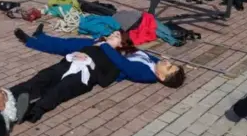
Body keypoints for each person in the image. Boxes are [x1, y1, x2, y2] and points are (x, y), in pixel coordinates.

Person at [15, 24, 185, 88]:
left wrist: (105, 44)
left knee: (74, 45)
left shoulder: (144, 74)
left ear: (161, 77)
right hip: (119, 52)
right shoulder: (154, 67)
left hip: (108, 62)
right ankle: (42, 37)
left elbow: (121, 63)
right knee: (79, 41)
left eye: (169, 67)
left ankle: (31, 41)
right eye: (172, 63)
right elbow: (149, 58)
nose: (168, 62)